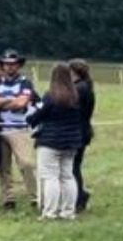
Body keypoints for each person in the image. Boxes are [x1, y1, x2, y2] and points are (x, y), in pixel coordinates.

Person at [28, 63, 85, 219]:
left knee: (50, 177)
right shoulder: (75, 96)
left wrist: (29, 119)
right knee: (67, 176)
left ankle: (50, 212)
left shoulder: (51, 96)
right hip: (71, 141)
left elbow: (39, 115)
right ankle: (68, 212)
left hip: (50, 141)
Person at [0, 49, 37, 210]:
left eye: (13, 64)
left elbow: (21, 103)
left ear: (18, 65)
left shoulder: (25, 82)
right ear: (2, 65)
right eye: (6, 64)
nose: (9, 67)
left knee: (26, 163)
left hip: (19, 128)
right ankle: (8, 198)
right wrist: (9, 100)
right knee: (3, 165)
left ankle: (36, 195)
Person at [68, 59, 95, 211]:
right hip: (83, 131)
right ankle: (79, 195)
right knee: (75, 166)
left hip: (77, 131)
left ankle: (79, 197)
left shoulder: (79, 89)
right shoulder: (86, 87)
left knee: (73, 167)